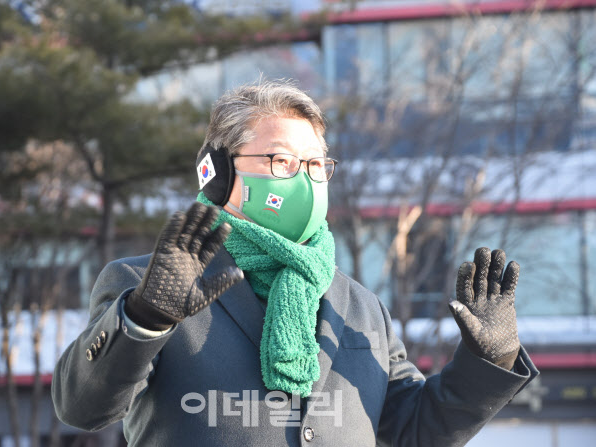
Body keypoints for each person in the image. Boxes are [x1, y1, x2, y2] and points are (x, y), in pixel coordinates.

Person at [52, 80, 538, 446]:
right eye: (282, 161)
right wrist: (144, 319)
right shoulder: (148, 284)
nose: (305, 180)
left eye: (316, 164)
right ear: (220, 174)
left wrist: (488, 362)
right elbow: (82, 407)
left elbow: (411, 429)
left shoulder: (360, 305)